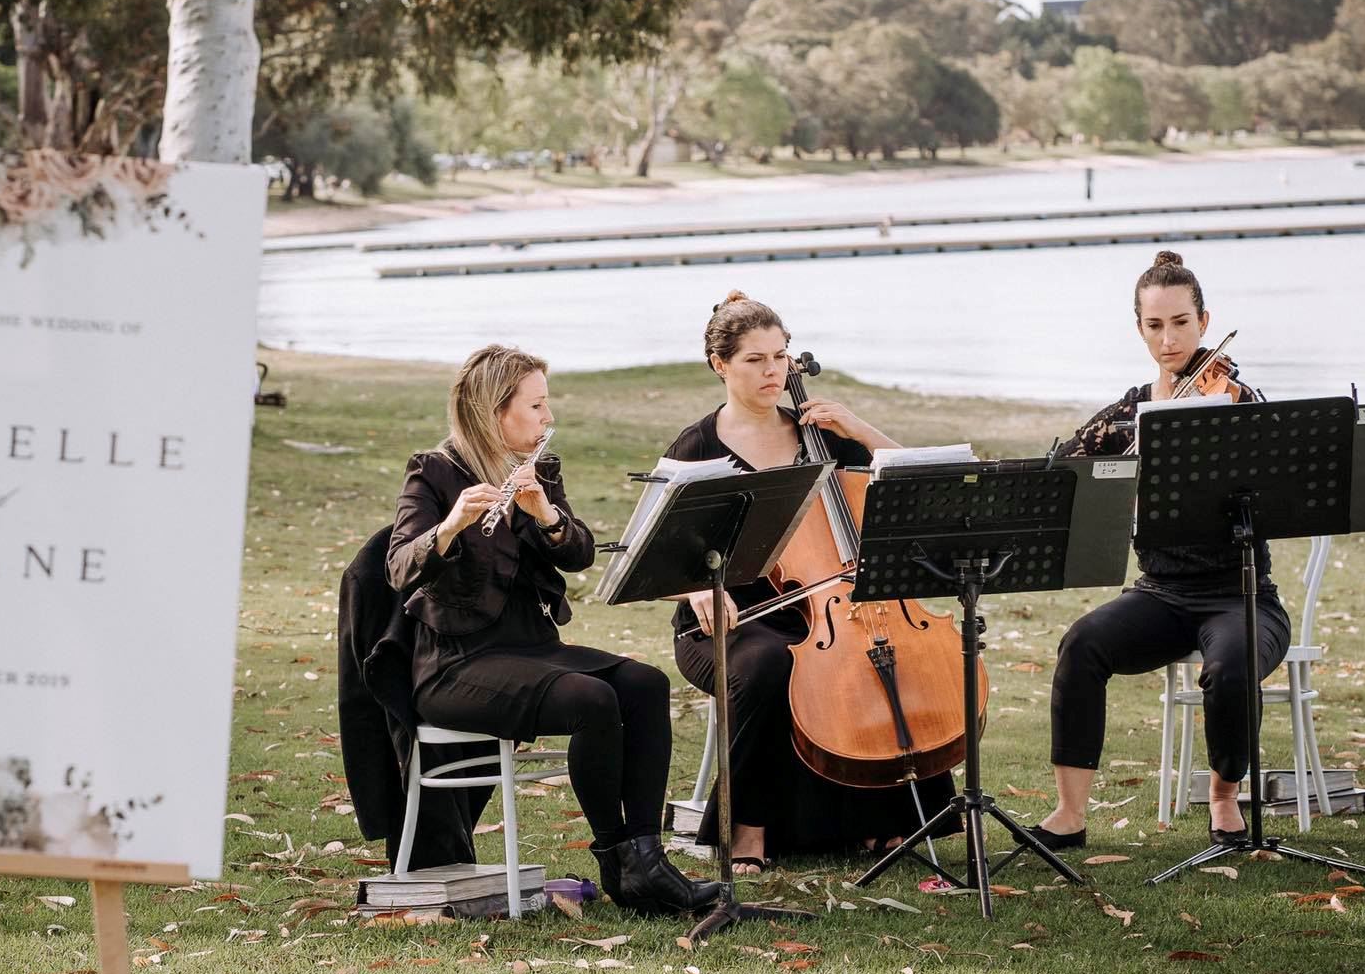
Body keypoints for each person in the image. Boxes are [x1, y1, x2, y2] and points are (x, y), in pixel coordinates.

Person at [387, 344, 715, 916]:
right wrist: (452, 524)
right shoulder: (435, 472)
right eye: (536, 406)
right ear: (496, 411)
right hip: (456, 663)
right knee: (590, 698)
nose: (547, 418)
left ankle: (647, 857)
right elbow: (398, 568)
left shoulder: (538, 470)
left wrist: (548, 517)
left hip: (531, 648)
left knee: (644, 684)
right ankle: (618, 861)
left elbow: (580, 554)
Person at [664, 292, 958, 874]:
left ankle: (887, 818)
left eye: (780, 356)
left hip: (824, 611)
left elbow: (926, 481)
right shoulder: (696, 449)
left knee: (877, 654)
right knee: (772, 664)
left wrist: (859, 426)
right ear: (721, 365)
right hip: (727, 621)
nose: (773, 371)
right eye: (755, 360)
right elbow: (651, 560)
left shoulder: (819, 433)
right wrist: (697, 587)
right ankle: (747, 828)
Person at [1031, 251, 1289, 851]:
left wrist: (1215, 416)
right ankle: (1069, 814)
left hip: (1240, 594)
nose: (1169, 339)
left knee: (1227, 671)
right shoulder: (1131, 411)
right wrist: (1127, 453)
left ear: (1204, 321)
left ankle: (1223, 798)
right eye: (1154, 325)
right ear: (1139, 327)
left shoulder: (1235, 399)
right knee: (1083, 643)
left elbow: (1275, 475)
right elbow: (1062, 467)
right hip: (1162, 594)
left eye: (1180, 323)